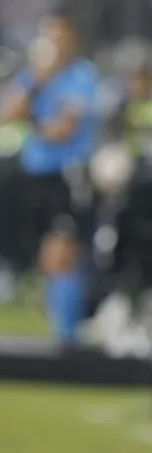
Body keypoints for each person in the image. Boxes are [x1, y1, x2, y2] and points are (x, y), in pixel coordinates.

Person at [1, 14, 99, 274]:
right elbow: (8, 112)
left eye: (59, 38)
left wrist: (31, 120)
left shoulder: (82, 76)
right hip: (33, 171)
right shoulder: (35, 76)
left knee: (62, 249)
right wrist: (36, 81)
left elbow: (62, 130)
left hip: (65, 174)